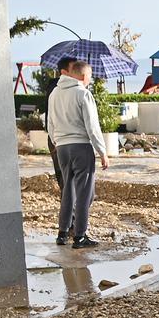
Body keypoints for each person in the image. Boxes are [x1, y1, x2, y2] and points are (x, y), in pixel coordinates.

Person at [44, 57, 110, 249]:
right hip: (81, 146)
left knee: (68, 191)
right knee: (84, 193)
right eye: (89, 76)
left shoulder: (54, 93)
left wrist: (57, 141)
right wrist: (102, 151)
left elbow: (50, 123)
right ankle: (80, 236)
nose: (90, 79)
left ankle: (63, 233)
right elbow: (92, 126)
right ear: (83, 75)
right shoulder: (83, 93)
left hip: (62, 148)